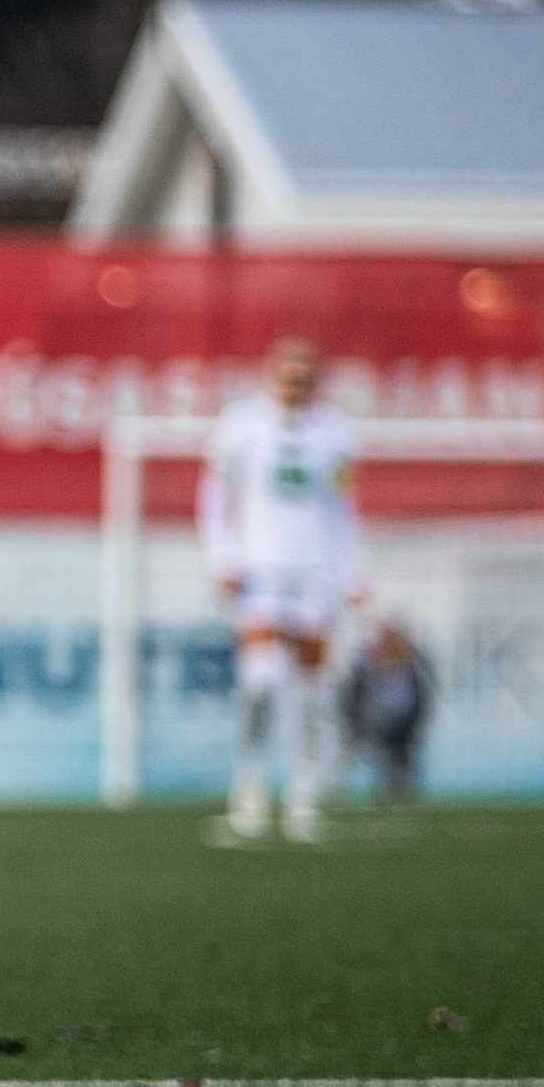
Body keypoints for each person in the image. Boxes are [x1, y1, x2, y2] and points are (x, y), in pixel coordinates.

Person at [199, 332, 367, 842]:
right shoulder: (240, 426)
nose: (297, 384)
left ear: (316, 380)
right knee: (261, 681)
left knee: (313, 691)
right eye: (289, 374)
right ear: (272, 374)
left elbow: (342, 507)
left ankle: (302, 797)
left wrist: (352, 571)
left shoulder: (334, 433)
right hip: (261, 571)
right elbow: (214, 498)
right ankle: (249, 788)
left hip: (315, 572)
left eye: (305, 376)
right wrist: (222, 558)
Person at [338, 618, 433, 804]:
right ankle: (343, 785)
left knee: (400, 752)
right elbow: (355, 695)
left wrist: (413, 720)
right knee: (365, 747)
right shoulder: (369, 665)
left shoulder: (410, 666)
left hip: (403, 721)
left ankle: (401, 786)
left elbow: (418, 698)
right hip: (375, 720)